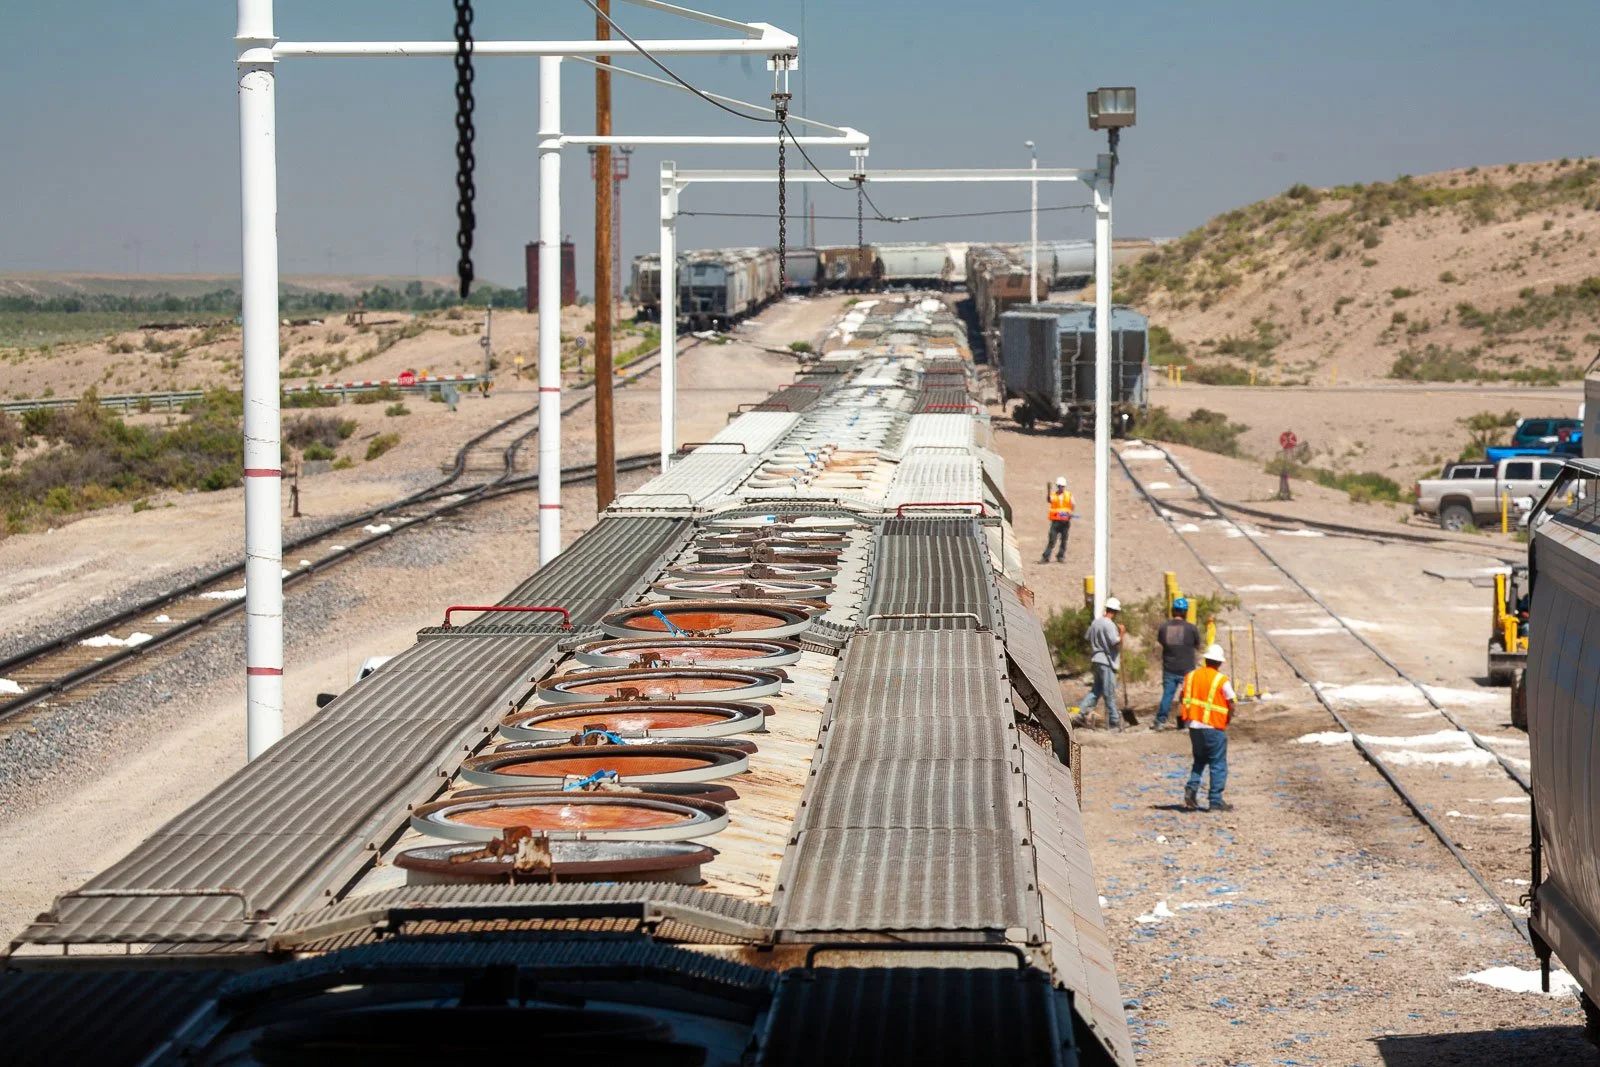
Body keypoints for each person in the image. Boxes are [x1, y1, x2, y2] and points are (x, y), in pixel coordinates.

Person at [1180, 644, 1236, 812]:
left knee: (1199, 759)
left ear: (1206, 660)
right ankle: (1215, 801)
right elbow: (1231, 701)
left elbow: (1183, 696)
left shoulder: (1190, 676)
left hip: (1194, 726)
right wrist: (1228, 719)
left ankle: (1191, 789)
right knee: (1217, 763)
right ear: (1219, 663)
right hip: (1213, 727)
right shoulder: (1221, 680)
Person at [1074, 597, 1124, 730]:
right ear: (1115, 611)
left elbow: (1087, 637)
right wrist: (1122, 634)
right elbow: (1115, 642)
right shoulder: (1109, 625)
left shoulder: (1096, 622)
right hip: (1106, 662)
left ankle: (1082, 713)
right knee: (1109, 692)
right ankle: (1114, 721)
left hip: (1096, 660)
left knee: (1096, 690)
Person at [1153, 598, 1201, 730]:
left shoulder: (1164, 628)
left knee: (1167, 696)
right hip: (1187, 669)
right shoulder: (1191, 629)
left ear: (1173, 611)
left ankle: (1160, 721)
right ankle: (1188, 721)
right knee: (1188, 697)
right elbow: (1197, 645)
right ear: (1185, 612)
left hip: (1169, 668)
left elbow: (1162, 642)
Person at [1041, 476, 1074, 563]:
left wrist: (1070, 513)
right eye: (1060, 486)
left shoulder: (1068, 495)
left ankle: (1061, 556)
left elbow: (1072, 505)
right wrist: (1048, 491)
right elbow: (1049, 500)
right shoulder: (1053, 495)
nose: (1061, 488)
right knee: (1052, 540)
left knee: (1064, 540)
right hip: (1055, 522)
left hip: (1065, 521)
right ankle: (1046, 557)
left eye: (1063, 486)